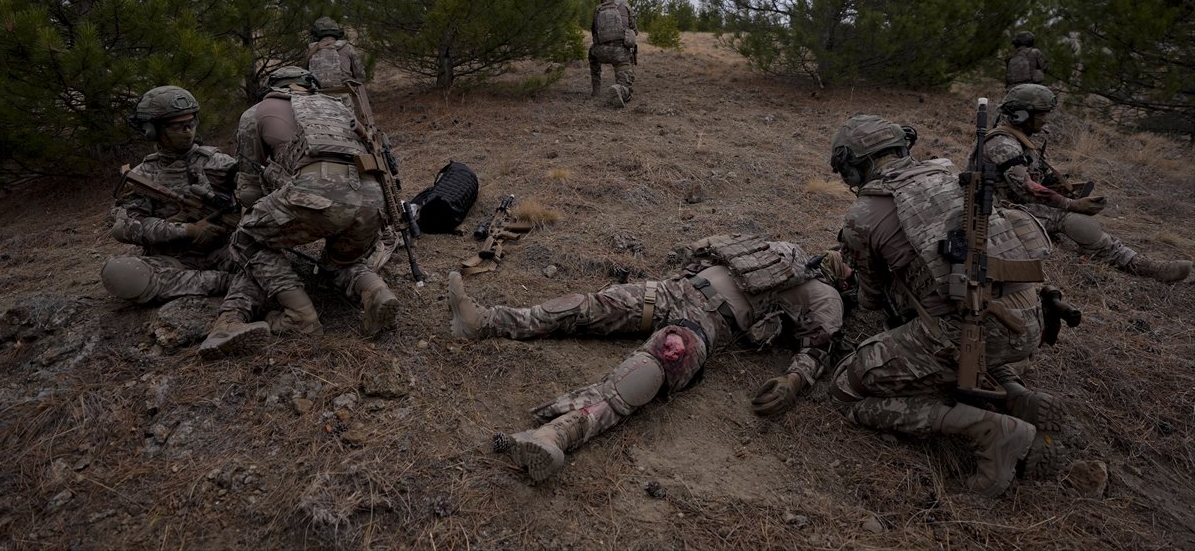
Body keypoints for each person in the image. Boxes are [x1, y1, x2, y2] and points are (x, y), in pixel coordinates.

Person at [448, 234, 849, 482]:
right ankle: (484, 321)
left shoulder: (826, 295)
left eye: (851, 260)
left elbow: (817, 347)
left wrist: (794, 380)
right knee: (587, 306)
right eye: (842, 247)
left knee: (655, 364)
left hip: (708, 322)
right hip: (672, 290)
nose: (843, 255)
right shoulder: (782, 253)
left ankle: (555, 435)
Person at [826, 114, 1071, 498]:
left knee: (845, 387)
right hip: (1026, 320)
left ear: (853, 168)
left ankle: (990, 431)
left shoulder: (863, 214)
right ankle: (1015, 395)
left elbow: (871, 298)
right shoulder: (950, 175)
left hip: (972, 331)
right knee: (963, 325)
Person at [230, 66, 399, 337]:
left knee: (245, 237)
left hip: (316, 193)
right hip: (373, 200)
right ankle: (375, 291)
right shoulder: (338, 107)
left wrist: (262, 218)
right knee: (341, 261)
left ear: (272, 87)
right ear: (311, 86)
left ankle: (300, 316)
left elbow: (249, 187)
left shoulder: (255, 113)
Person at [103, 86, 271, 352]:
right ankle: (227, 284)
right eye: (176, 126)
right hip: (172, 262)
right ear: (152, 130)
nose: (187, 130)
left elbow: (255, 197)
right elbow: (127, 227)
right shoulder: (142, 175)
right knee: (119, 274)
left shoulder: (219, 162)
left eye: (191, 122)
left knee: (267, 260)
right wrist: (187, 230)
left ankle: (229, 320)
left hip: (224, 251)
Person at [978, 85, 1190, 283]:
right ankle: (1138, 264)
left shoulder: (1019, 139)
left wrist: (1066, 190)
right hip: (995, 212)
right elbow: (1027, 189)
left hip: (1012, 205)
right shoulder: (1003, 144)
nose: (1045, 119)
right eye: (1042, 114)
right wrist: (1071, 204)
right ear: (1021, 115)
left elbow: (1038, 177)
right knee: (1070, 218)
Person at [588, 0, 637, 107]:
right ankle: (620, 89)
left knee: (592, 55)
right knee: (627, 87)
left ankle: (596, 91)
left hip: (600, 52)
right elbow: (634, 30)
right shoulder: (626, 6)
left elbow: (594, 31)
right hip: (620, 54)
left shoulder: (598, 9)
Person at [306, 16, 366, 92]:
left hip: (317, 93)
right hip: (343, 91)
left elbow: (305, 74)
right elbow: (361, 75)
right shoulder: (347, 48)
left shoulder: (311, 50)